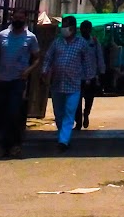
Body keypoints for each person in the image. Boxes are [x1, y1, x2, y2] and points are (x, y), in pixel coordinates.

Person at [40, 16, 98, 150]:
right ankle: (62, 134)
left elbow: (87, 61)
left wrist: (89, 77)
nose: (63, 29)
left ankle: (63, 140)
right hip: (57, 84)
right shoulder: (57, 43)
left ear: (72, 28)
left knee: (69, 113)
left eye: (65, 26)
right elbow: (48, 57)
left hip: (73, 85)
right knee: (58, 113)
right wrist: (44, 71)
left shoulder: (81, 43)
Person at [0, 10, 40, 158]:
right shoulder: (2, 35)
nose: (18, 20)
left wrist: (28, 71)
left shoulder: (30, 38)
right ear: (12, 19)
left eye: (21, 18)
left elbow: (37, 58)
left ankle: (15, 144)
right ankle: (4, 145)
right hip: (1, 80)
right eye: (15, 18)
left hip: (17, 81)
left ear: (25, 19)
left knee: (14, 113)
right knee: (2, 113)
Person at [73, 19, 106, 133]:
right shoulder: (76, 42)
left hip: (91, 75)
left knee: (89, 99)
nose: (85, 31)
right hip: (78, 76)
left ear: (90, 30)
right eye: (83, 29)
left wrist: (101, 72)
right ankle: (78, 121)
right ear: (80, 30)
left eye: (87, 29)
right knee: (77, 100)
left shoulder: (95, 42)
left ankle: (86, 114)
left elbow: (99, 57)